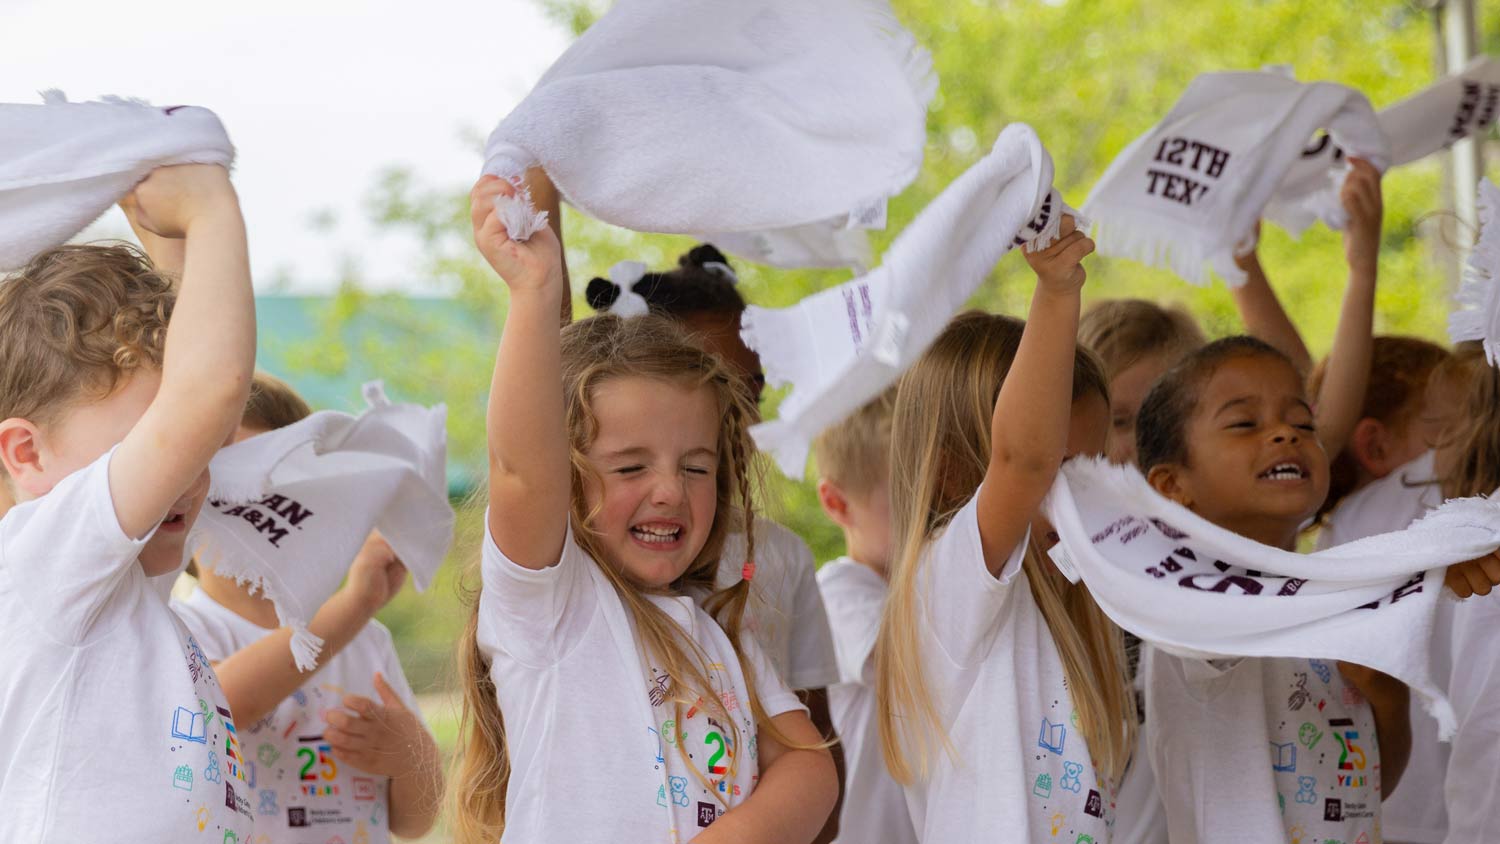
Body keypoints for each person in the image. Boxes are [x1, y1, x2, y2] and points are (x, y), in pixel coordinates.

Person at [451, 175, 837, 843]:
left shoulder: (720, 634)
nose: (671, 491)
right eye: (631, 467)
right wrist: (534, 294)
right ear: (567, 479)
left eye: (697, 466)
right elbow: (519, 471)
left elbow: (809, 768)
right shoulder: (549, 606)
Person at [1133, 335, 1500, 844]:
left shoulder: (1331, 603)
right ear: (1172, 486)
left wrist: (1384, 692)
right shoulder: (1184, 597)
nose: (1286, 433)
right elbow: (1257, 611)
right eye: (1245, 423)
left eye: (1304, 423)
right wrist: (1418, 571)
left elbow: (1369, 785)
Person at [0, 164, 257, 842]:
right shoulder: (42, 561)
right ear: (26, 455)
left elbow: (195, 379)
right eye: (155, 449)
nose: (188, 473)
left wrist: (172, 243)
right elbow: (208, 391)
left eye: (196, 454)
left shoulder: (126, 587)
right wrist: (208, 209)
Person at [877, 217, 1138, 842]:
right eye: (1060, 470)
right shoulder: (947, 582)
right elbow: (1024, 458)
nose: (1081, 493)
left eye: (1091, 464)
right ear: (950, 471)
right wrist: (1056, 293)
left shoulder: (1063, 605)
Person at [585, 242, 846, 839]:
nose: (738, 411)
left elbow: (817, 753)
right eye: (710, 379)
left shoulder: (777, 561)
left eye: (750, 386)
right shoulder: (577, 576)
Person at [172, 371, 442, 843]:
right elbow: (224, 704)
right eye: (234, 484)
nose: (261, 504)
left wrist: (412, 756)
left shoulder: (367, 639)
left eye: (283, 482)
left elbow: (415, 823)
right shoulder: (181, 631)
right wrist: (356, 603)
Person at [1081, 161, 1387, 469]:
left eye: (1161, 419)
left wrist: (1362, 271)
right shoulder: (1062, 507)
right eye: (1119, 422)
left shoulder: (1213, 499)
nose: (1141, 441)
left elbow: (1312, 410)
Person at [811, 390, 914, 844]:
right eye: (904, 501)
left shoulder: (905, 592)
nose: (925, 517)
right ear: (836, 503)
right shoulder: (840, 591)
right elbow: (908, 662)